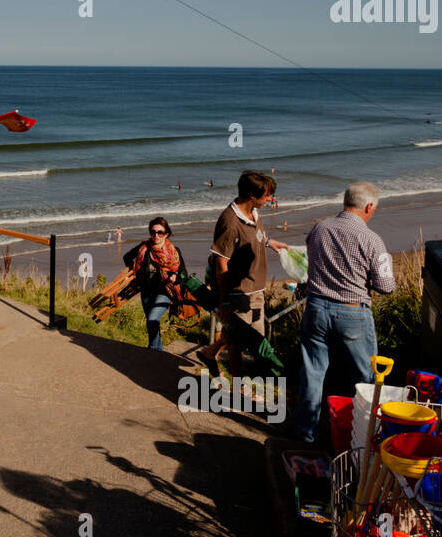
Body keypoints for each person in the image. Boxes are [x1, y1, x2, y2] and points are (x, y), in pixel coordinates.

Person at [292, 182, 396, 443]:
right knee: (365, 378)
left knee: (313, 373)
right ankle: (359, 435)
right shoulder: (372, 239)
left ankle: (305, 433)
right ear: (368, 206)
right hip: (353, 313)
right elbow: (386, 286)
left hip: (316, 307)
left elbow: (310, 261)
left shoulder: (320, 228)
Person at [197, 171, 289, 376]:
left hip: (255, 288)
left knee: (250, 337)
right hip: (239, 293)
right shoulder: (230, 223)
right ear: (251, 196)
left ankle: (209, 353)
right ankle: (239, 384)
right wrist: (225, 301)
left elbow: (256, 235)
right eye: (266, 195)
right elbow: (221, 263)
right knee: (240, 343)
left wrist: (270, 242)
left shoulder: (253, 213)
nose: (269, 199)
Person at [122, 217, 187, 351]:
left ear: (166, 233)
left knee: (152, 319)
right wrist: (135, 270)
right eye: (153, 232)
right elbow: (127, 257)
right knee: (152, 323)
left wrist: (176, 276)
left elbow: (184, 273)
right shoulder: (143, 247)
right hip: (146, 291)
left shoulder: (174, 251)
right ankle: (158, 353)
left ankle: (153, 351)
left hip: (165, 292)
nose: (156, 235)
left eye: (160, 232)